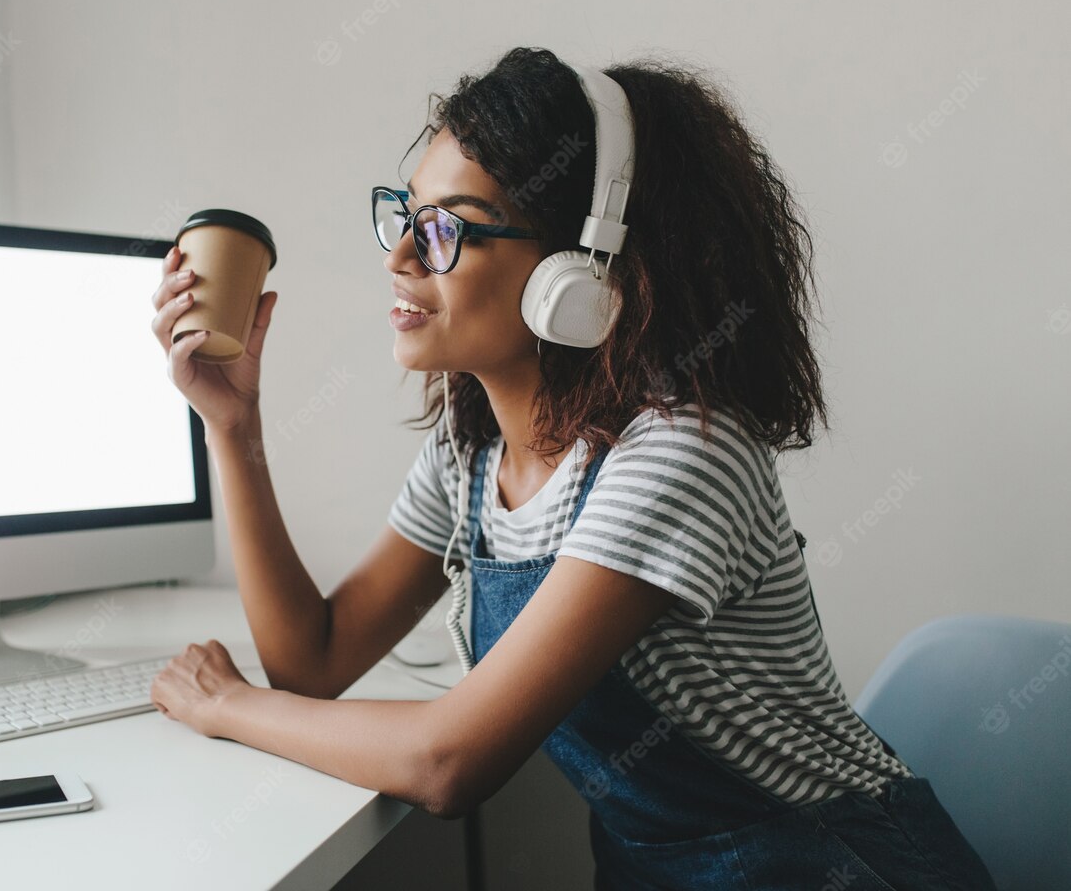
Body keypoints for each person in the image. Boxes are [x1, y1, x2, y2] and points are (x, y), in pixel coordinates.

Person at [148, 46, 997, 890]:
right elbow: (316, 659)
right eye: (404, 215)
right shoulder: (470, 452)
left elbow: (449, 762)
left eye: (448, 228)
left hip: (833, 868)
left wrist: (228, 705)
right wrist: (233, 423)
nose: (399, 258)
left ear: (579, 268)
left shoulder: (682, 452)